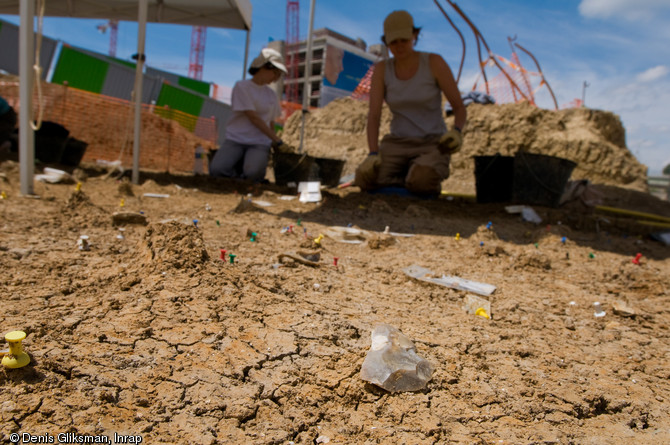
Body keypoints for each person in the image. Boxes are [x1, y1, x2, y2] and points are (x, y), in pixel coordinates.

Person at [355, 10, 467, 195]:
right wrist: (373, 154)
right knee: (365, 178)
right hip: (397, 143)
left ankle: (418, 176)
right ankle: (406, 177)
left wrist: (456, 132)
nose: (399, 46)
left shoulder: (434, 62)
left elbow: (459, 107)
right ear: (386, 43)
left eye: (404, 40)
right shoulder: (382, 70)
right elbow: (374, 115)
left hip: (431, 143)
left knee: (422, 181)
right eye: (393, 42)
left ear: (414, 35)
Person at [209, 48, 289, 182]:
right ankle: (239, 169)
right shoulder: (242, 87)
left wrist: (272, 143)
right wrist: (277, 140)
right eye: (275, 73)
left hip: (259, 142)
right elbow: (254, 118)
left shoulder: (271, 95)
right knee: (217, 170)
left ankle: (244, 170)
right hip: (236, 139)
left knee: (253, 173)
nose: (276, 79)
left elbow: (270, 122)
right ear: (264, 67)